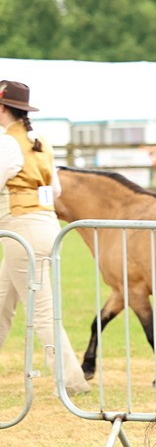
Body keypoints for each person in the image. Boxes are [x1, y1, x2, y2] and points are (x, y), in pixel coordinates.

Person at [0, 81, 89, 394]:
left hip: (21, 229)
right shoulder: (39, 141)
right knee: (2, 303)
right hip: (42, 226)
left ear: (2, 108)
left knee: (41, 313)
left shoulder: (8, 144)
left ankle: (72, 382)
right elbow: (57, 190)